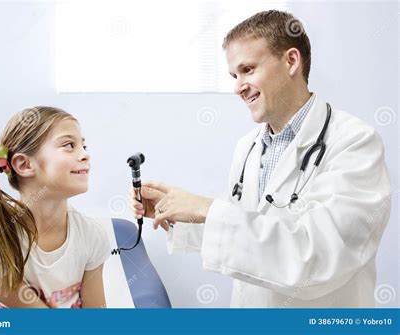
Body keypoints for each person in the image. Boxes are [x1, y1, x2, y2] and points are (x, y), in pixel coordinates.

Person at [131, 10, 391, 307]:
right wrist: (177, 213)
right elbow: (244, 230)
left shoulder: (354, 142)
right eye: (234, 75)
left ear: (291, 61)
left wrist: (207, 209)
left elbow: (319, 256)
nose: (238, 86)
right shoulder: (249, 146)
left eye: (248, 69)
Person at [0, 106, 110, 308]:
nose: (85, 155)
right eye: (69, 145)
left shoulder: (93, 236)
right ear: (25, 165)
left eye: (84, 146)